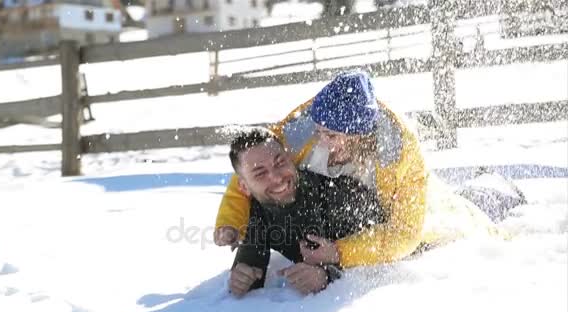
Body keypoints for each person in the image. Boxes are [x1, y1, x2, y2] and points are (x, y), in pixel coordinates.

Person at [215, 70, 511, 268]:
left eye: (331, 136)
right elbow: (252, 165)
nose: (321, 140)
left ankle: (498, 187)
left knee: (466, 214)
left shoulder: (400, 154)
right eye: (320, 131)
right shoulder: (304, 125)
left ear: (360, 136)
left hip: (424, 211)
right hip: (347, 210)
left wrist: (340, 253)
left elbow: (405, 234)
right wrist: (231, 221)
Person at [227, 127, 386, 297]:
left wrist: (328, 276)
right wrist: (242, 277)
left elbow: (385, 255)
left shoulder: (339, 196)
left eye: (280, 163)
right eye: (260, 174)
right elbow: (251, 266)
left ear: (290, 159)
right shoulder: (258, 208)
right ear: (244, 187)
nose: (277, 177)